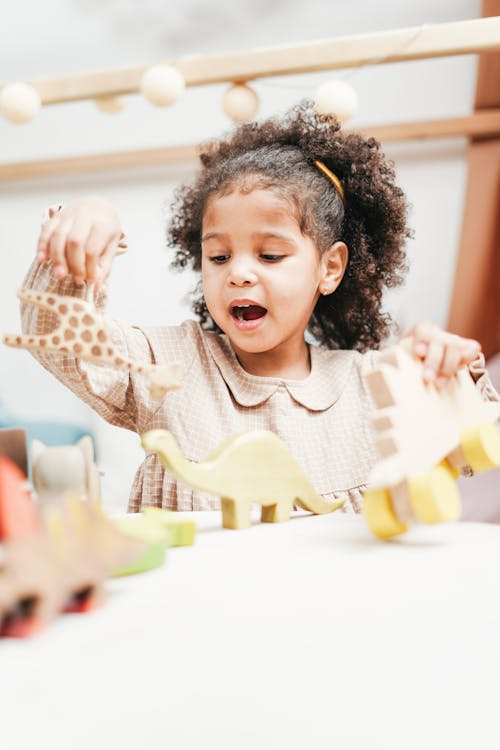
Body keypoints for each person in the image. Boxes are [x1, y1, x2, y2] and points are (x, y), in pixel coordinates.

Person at [22, 102, 497, 513]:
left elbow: (474, 448)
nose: (239, 273)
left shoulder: (369, 384)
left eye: (270, 255)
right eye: (219, 256)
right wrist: (86, 223)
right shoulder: (165, 366)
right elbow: (59, 338)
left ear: (329, 268)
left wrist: (446, 374)